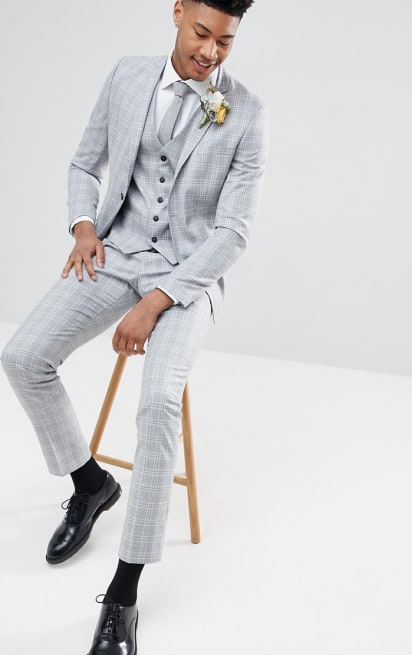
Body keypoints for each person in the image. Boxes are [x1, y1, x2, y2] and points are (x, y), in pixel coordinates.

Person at [1, 0, 268, 652]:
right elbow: (83, 162)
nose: (209, 53)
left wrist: (157, 303)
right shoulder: (126, 75)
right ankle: (90, 483)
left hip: (188, 276)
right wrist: (83, 226)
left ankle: (123, 592)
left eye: (225, 42)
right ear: (177, 12)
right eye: (201, 34)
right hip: (115, 252)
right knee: (23, 355)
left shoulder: (247, 112)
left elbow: (233, 232)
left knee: (156, 406)